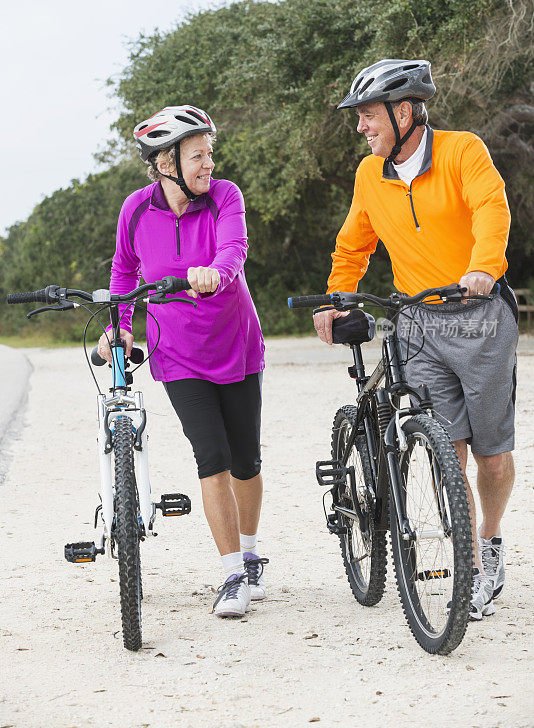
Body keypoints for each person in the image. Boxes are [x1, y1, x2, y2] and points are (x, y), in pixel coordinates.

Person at [314, 59, 517, 621]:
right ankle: (470, 564)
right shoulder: (368, 175)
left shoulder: (462, 151)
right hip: (418, 325)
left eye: (369, 115)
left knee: (492, 454)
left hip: (478, 316)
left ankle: (491, 539)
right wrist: (338, 295)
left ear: (404, 113)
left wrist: (483, 266)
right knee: (445, 449)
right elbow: (353, 244)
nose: (361, 127)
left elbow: (489, 210)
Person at [97, 105, 267, 618]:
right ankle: (233, 573)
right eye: (197, 155)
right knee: (210, 456)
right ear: (165, 162)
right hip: (176, 353)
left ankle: (253, 551)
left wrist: (215, 271)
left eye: (209, 153)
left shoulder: (225, 197)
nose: (208, 163)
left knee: (246, 461)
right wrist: (119, 325)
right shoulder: (136, 209)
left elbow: (234, 250)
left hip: (236, 344)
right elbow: (125, 273)